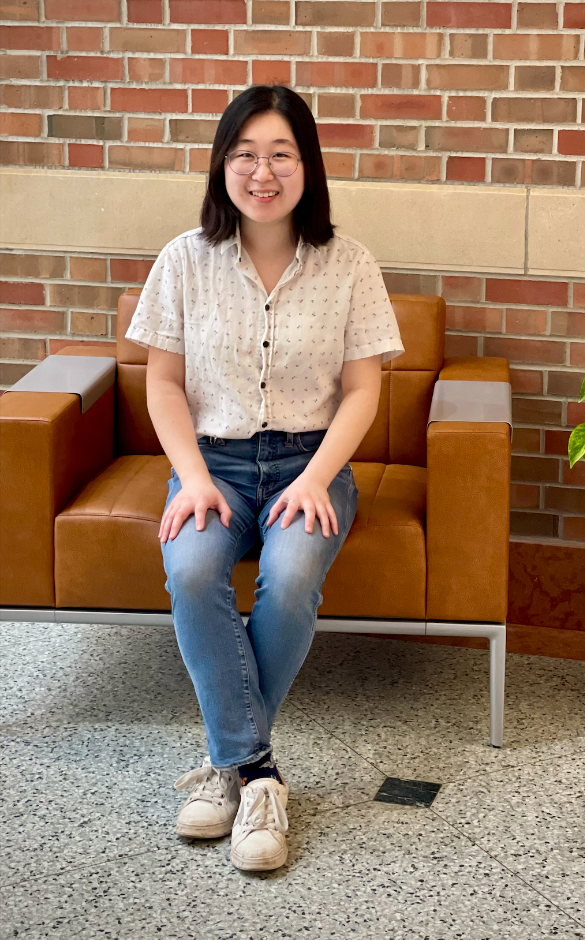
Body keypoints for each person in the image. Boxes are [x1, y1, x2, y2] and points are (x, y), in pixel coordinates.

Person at [126, 85, 404, 872]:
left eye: (281, 153)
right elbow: (164, 385)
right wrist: (192, 477)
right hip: (209, 465)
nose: (262, 171)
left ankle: (224, 771)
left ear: (308, 165)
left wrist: (318, 478)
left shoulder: (350, 264)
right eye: (244, 154)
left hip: (307, 464)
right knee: (191, 567)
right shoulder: (184, 259)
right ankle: (258, 775)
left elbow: (362, 390)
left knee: (288, 578)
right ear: (222, 166)